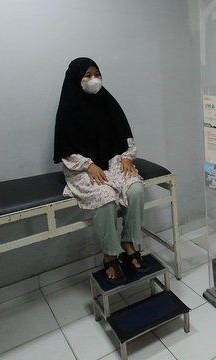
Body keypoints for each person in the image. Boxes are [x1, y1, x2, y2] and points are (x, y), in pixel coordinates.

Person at [54, 57, 149, 284]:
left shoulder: (107, 101)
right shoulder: (68, 108)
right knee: (105, 197)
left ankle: (129, 242)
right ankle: (110, 254)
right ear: (76, 79)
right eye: (87, 75)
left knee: (135, 189)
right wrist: (88, 165)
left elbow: (125, 133)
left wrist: (127, 157)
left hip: (112, 161)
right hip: (81, 167)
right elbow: (65, 149)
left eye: (96, 74)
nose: (93, 79)